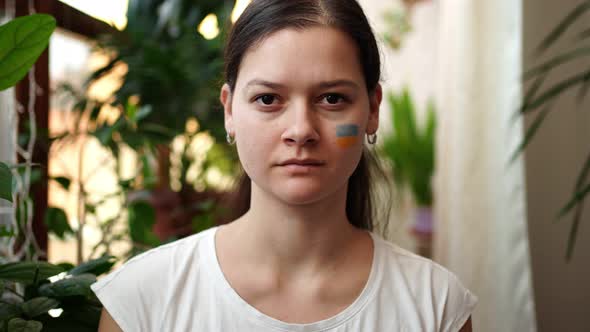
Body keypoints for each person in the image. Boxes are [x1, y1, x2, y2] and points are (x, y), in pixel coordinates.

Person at [93, 0, 477, 331]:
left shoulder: (435, 305)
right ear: (229, 110)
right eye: (267, 99)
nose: (301, 131)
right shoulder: (142, 298)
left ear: (372, 110)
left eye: (331, 98)